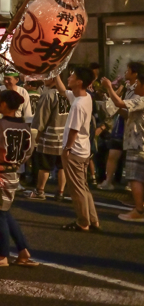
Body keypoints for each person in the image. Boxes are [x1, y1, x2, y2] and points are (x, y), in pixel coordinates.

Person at [0, 91, 40, 267]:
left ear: (3, 105)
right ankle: (23, 249)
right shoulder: (26, 128)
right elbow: (28, 153)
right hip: (13, 173)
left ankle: (2, 255)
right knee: (3, 212)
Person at [55, 67, 99, 232]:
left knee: (77, 189)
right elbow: (62, 91)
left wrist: (67, 148)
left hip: (75, 151)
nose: (69, 78)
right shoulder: (85, 97)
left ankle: (83, 222)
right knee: (83, 186)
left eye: (72, 76)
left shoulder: (78, 105)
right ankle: (93, 220)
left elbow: (74, 130)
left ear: (80, 81)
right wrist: (55, 73)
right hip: (83, 150)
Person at [100, 63, 144, 221]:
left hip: (137, 144)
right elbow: (125, 112)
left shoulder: (141, 100)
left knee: (135, 177)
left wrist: (109, 88)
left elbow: (120, 104)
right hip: (137, 143)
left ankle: (139, 211)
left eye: (139, 83)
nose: (136, 86)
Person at [28, 76, 69, 200]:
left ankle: (40, 191)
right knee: (62, 166)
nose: (44, 80)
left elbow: (42, 117)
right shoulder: (68, 95)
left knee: (44, 166)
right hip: (65, 135)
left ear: (53, 79)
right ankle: (60, 192)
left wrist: (38, 135)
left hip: (50, 135)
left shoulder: (48, 95)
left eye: (47, 77)